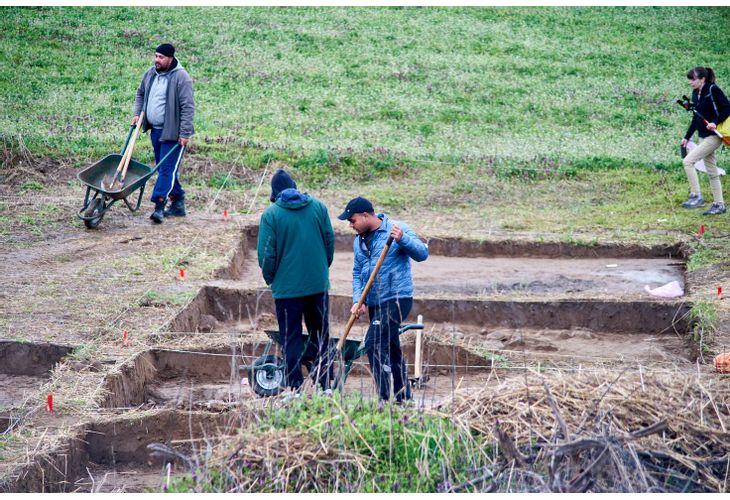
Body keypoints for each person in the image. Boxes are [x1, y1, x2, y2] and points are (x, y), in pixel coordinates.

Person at [338, 197, 428, 403]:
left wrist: (402, 239)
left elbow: (422, 254)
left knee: (373, 344)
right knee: (391, 347)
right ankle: (403, 396)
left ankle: (384, 398)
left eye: (352, 221)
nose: (351, 226)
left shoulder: (396, 228)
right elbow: (357, 272)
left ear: (365, 215)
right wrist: (357, 300)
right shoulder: (359, 241)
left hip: (397, 299)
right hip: (375, 303)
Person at [257, 169, 335, 392]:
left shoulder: (271, 215)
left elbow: (266, 253)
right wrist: (321, 268)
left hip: (287, 290)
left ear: (275, 193)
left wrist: (271, 278)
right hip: (317, 285)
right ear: (295, 186)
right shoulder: (318, 208)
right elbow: (329, 241)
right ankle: (324, 383)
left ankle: (295, 386)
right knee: (321, 335)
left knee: (290, 337)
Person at [132, 43, 195, 223]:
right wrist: (137, 114)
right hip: (156, 130)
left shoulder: (182, 78)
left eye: (161, 57)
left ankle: (159, 206)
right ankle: (178, 201)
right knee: (164, 168)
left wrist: (185, 133)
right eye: (156, 56)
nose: (157, 60)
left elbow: (188, 107)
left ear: (170, 58)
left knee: (166, 169)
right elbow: (140, 94)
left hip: (173, 134)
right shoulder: (151, 73)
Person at [681, 66, 729, 216]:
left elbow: (728, 108)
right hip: (703, 135)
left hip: (714, 135)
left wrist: (715, 121)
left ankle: (696, 196)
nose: (691, 82)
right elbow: (696, 117)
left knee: (688, 162)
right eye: (690, 79)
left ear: (702, 79)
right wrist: (687, 137)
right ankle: (719, 205)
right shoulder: (696, 93)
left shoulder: (712, 89)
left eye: (693, 79)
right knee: (712, 171)